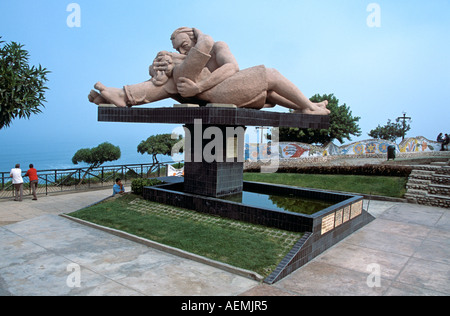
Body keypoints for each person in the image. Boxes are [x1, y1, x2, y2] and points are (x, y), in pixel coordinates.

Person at [88, 27, 329, 115]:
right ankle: (307, 106)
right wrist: (157, 66)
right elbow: (158, 77)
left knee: (268, 84)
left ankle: (306, 106)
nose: (183, 50)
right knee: (269, 74)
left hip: (220, 90)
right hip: (217, 95)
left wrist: (199, 86)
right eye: (179, 48)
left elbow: (232, 67)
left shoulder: (215, 47)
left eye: (184, 44)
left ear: (193, 37)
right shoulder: (184, 65)